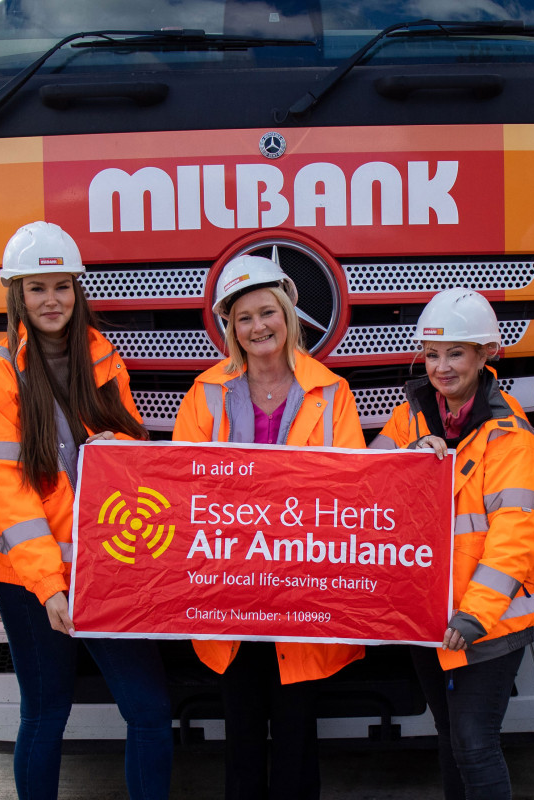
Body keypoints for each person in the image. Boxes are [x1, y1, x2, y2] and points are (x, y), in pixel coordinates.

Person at [0, 221, 172, 800]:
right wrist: (51, 585)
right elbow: (9, 494)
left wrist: (117, 448)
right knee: (45, 712)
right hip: (31, 580)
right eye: (36, 288)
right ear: (16, 297)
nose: (51, 301)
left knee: (149, 710)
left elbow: (134, 455)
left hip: (107, 568)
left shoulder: (103, 358)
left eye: (62, 287)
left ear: (78, 291)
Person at [172, 254, 365, 800]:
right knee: (242, 736)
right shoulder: (206, 391)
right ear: (230, 328)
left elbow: (350, 489)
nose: (258, 327)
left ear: (287, 313)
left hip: (301, 593)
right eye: (244, 318)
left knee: (298, 737)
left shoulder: (332, 392)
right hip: (227, 590)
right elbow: (181, 483)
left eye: (267, 313)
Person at [370, 288, 534, 800]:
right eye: (432, 354)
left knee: (474, 742)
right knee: (453, 737)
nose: (442, 367)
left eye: (455, 352)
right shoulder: (409, 418)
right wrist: (409, 456)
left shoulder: (513, 440)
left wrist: (471, 616)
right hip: (427, 618)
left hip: (486, 623)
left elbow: (515, 542)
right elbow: (365, 488)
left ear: (485, 354)